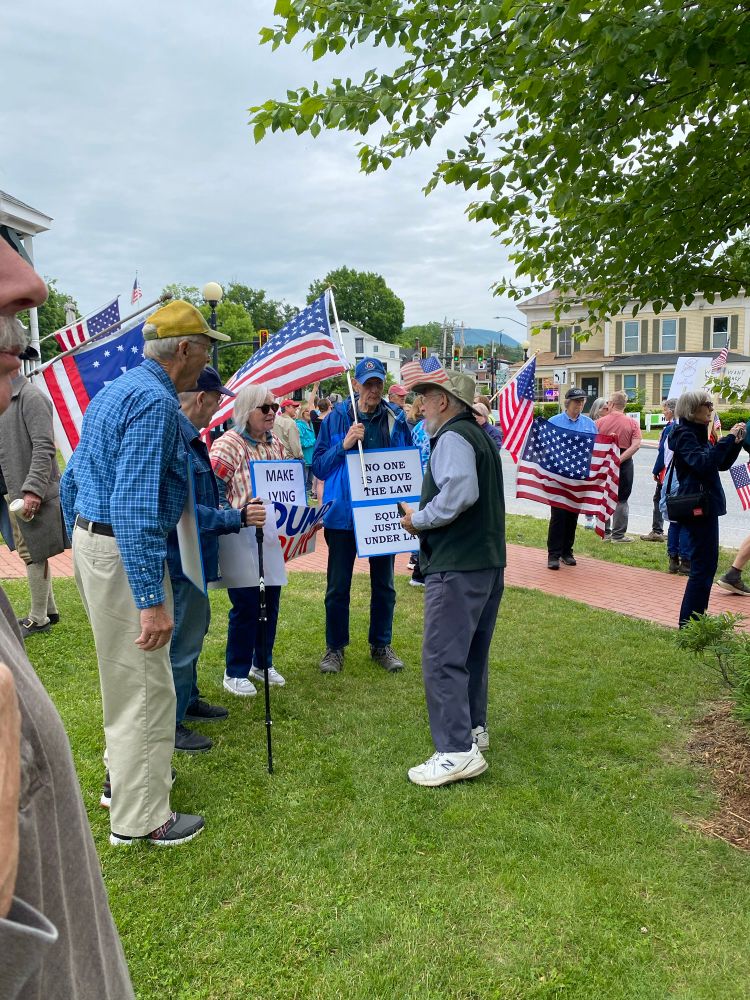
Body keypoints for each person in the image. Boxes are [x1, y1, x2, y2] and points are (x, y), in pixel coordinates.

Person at [0, 221, 135, 994]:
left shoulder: (31, 395)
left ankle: (43, 610)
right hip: (57, 518)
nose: (31, 282)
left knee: (34, 571)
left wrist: (33, 492)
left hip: (46, 506)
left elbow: (52, 458)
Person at [60, 298, 230, 847]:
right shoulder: (155, 402)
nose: (207, 358)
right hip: (120, 547)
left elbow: (73, 479)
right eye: (205, 348)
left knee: (124, 678)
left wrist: (84, 541)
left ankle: (122, 783)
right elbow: (135, 508)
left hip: (95, 542)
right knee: (146, 686)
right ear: (183, 349)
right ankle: (142, 819)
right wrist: (149, 600)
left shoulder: (117, 389)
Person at [400, 371, 505, 787]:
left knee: (442, 656)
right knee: (470, 652)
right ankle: (473, 729)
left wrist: (419, 519)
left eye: (426, 398)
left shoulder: (452, 437)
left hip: (458, 564)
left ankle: (456, 750)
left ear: (444, 401)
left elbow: (460, 492)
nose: (421, 405)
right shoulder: (478, 436)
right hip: (485, 562)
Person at [168, 366, 261, 754]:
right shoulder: (177, 438)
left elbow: (203, 500)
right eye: (217, 399)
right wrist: (235, 517)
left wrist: (227, 511)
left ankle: (188, 700)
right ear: (201, 398)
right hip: (181, 559)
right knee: (181, 642)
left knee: (195, 631)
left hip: (197, 556)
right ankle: (171, 723)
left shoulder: (192, 437)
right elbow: (184, 513)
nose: (219, 406)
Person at [312, 357, 412, 673]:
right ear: (355, 384)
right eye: (368, 384)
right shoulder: (336, 418)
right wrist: (343, 444)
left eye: (378, 383)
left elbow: (406, 464)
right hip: (343, 515)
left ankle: (381, 645)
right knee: (337, 586)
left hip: (381, 514)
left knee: (384, 585)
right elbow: (319, 467)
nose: (373, 390)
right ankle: (334, 648)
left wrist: (407, 504)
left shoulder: (395, 418)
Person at [210, 384, 287, 695]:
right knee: (246, 605)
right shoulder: (229, 444)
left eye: (274, 408)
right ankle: (235, 671)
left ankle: (262, 663)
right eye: (264, 408)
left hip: (270, 536)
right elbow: (213, 487)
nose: (271, 413)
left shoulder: (276, 444)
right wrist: (232, 515)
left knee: (271, 601)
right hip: (240, 535)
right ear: (246, 411)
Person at [668, 390, 746, 627]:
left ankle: (695, 621)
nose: (712, 408)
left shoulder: (697, 433)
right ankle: (689, 625)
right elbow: (702, 463)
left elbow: (719, 464)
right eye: (708, 404)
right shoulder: (684, 434)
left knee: (706, 567)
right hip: (697, 507)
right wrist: (726, 440)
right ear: (693, 409)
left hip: (706, 506)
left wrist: (735, 443)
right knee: (702, 568)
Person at [0, 369, 67, 638]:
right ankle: (49, 610)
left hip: (26, 490)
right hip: (12, 488)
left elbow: (44, 447)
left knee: (33, 552)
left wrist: (33, 491)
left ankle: (38, 619)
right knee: (33, 549)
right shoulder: (7, 396)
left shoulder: (31, 396)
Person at [546, 387, 597, 570]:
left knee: (572, 515)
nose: (580, 404)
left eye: (582, 401)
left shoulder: (589, 424)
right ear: (567, 403)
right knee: (558, 515)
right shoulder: (554, 422)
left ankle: (567, 552)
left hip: (578, 477)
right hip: (559, 477)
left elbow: (597, 446)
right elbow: (546, 447)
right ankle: (554, 554)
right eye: (576, 401)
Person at [596, 389, 642, 543]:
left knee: (604, 495)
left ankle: (605, 533)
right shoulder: (632, 423)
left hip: (604, 460)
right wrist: (619, 459)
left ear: (612, 404)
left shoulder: (599, 422)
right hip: (624, 462)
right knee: (622, 498)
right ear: (624, 405)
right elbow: (636, 445)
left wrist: (611, 460)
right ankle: (618, 535)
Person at [641, 398, 676, 542]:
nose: (664, 412)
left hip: (667, 470)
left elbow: (663, 452)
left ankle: (657, 530)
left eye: (665, 410)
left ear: (672, 411)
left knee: (659, 498)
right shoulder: (679, 425)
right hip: (676, 471)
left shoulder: (670, 428)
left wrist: (656, 470)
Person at [583, 397, 610, 528]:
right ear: (598, 409)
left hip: (603, 462)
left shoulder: (609, 422)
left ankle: (601, 518)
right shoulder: (591, 424)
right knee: (590, 489)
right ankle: (589, 518)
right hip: (591, 461)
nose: (608, 410)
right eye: (605, 408)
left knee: (602, 490)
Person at [296, 401, 317, 497]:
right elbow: (301, 442)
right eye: (307, 411)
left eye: (310, 411)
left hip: (312, 458)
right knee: (303, 482)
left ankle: (308, 498)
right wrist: (314, 440)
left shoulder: (311, 424)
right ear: (302, 412)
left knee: (310, 483)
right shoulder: (299, 425)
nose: (309, 413)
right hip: (305, 458)